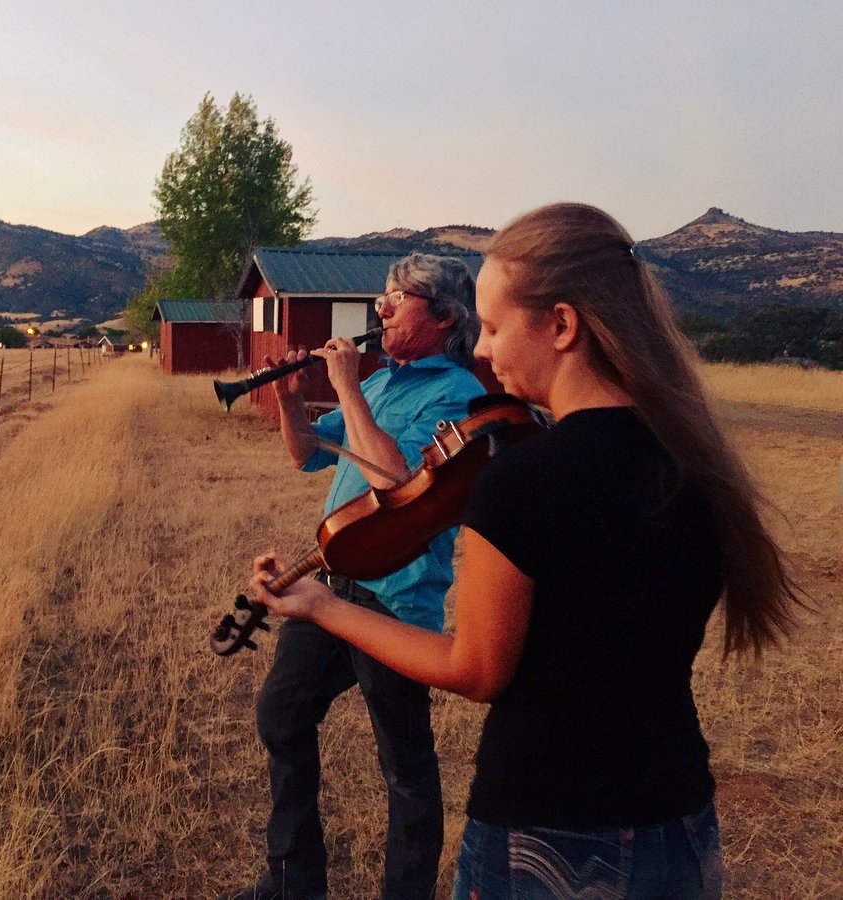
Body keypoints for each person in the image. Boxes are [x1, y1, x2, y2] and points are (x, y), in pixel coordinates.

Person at [248, 203, 803, 899]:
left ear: (563, 325)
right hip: (680, 825)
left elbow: (475, 669)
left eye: (497, 327)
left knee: (404, 761)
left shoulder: (521, 474)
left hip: (546, 829)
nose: (483, 351)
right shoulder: (694, 460)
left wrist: (324, 607)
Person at [224, 254, 486, 900]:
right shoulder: (380, 384)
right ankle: (293, 883)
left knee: (405, 770)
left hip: (395, 602)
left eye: (399, 298)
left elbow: (397, 483)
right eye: (384, 296)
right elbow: (306, 454)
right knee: (281, 713)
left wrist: (343, 382)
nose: (382, 309)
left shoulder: (458, 393)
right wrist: (288, 401)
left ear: (444, 317)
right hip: (332, 584)